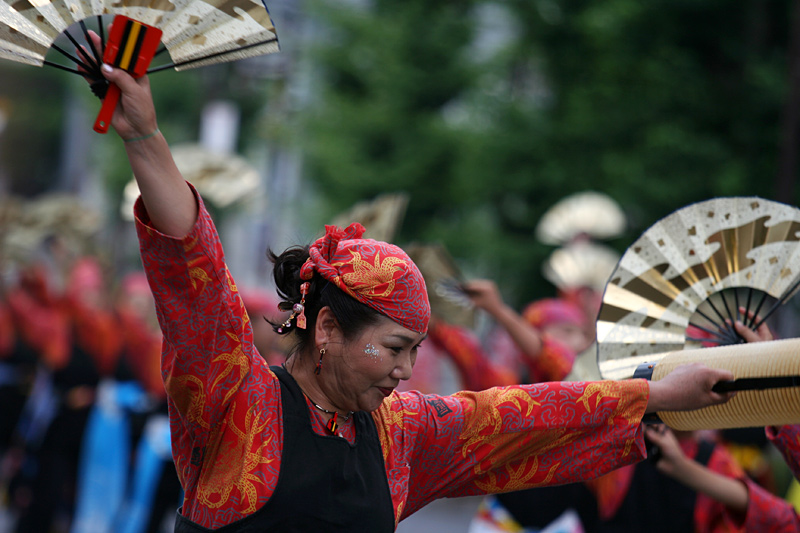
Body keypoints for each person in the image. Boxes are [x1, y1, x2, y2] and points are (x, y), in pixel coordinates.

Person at [89, 32, 737, 532]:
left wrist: (655, 392)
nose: (406, 369)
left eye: (416, 350)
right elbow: (194, 282)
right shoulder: (240, 405)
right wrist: (145, 133)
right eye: (395, 346)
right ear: (329, 327)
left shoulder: (399, 433)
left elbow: (521, 417)